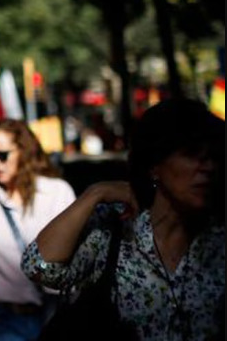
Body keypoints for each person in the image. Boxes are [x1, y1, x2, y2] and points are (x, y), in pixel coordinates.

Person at [23, 99, 224, 341]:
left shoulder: (218, 240)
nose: (208, 167)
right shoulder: (114, 228)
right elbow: (38, 266)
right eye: (192, 155)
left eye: (212, 156)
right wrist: (95, 193)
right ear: (154, 166)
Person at [0, 121, 74, 341]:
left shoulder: (56, 193)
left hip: (55, 314)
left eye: (2, 155)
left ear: (23, 151)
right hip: (4, 317)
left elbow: (78, 255)